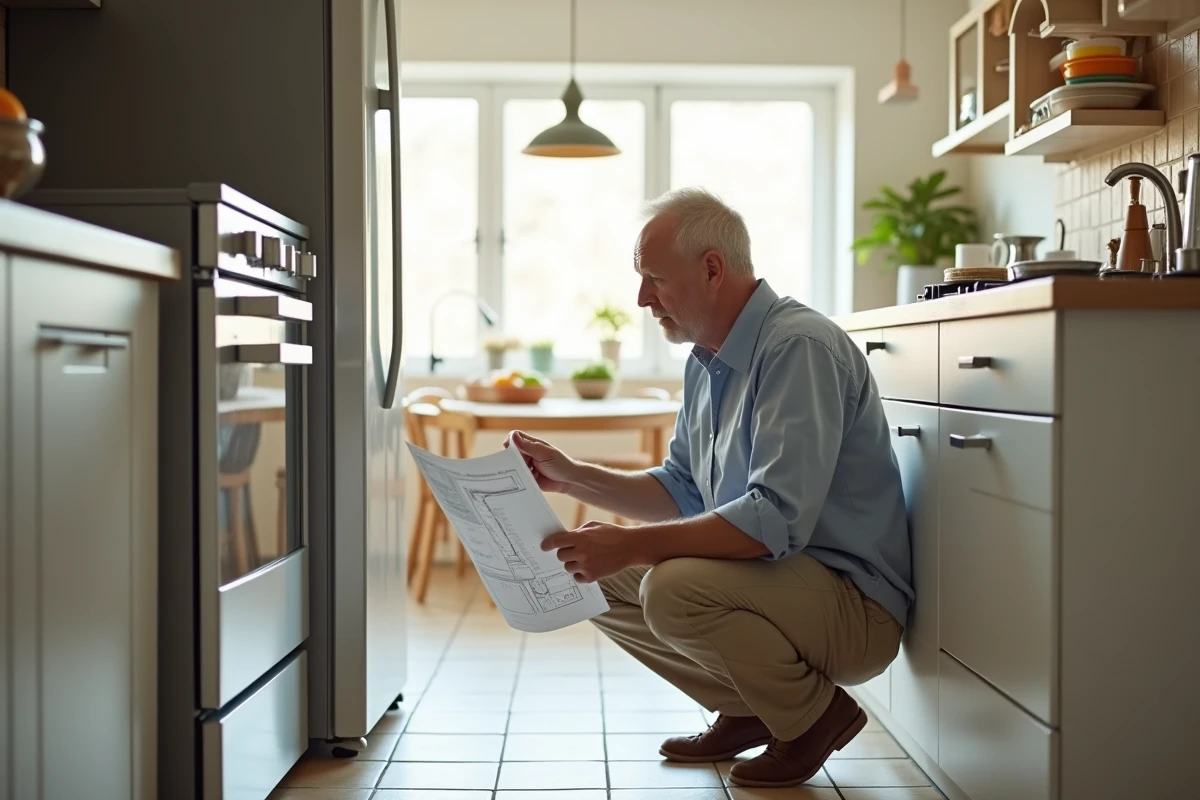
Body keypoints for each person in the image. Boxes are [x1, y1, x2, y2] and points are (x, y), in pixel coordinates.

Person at [505, 187, 913, 789]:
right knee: (581, 570)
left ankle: (814, 720)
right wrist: (573, 474)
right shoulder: (707, 360)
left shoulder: (797, 347)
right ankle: (752, 709)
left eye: (653, 279)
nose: (642, 298)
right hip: (787, 585)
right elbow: (682, 487)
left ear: (713, 269)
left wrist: (634, 545)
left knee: (672, 585)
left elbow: (774, 520)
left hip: (855, 606)